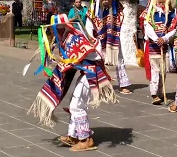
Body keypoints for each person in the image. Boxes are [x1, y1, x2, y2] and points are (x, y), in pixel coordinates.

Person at [27, 13, 117, 152]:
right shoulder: (67, 38)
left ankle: (85, 139)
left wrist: (64, 62)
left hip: (91, 74)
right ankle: (73, 135)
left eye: (52, 28)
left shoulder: (74, 38)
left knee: (77, 106)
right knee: (75, 103)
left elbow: (83, 56)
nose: (50, 31)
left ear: (61, 27)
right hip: (87, 72)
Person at [85, 0, 132, 94]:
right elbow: (89, 26)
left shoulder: (117, 8)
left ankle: (123, 84)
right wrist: (91, 38)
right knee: (97, 60)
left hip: (113, 38)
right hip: (99, 39)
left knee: (119, 60)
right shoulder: (93, 10)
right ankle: (99, 83)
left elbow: (120, 21)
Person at [139, 0, 177, 105]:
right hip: (153, 46)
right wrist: (157, 39)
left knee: (163, 71)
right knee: (155, 70)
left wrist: (165, 38)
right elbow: (147, 26)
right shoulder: (150, 11)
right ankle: (154, 93)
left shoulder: (171, 13)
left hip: (164, 46)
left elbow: (174, 29)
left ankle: (161, 92)